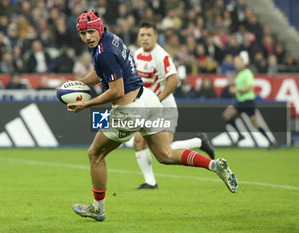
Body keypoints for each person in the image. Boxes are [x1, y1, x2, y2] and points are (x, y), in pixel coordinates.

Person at [68, 11, 238, 222]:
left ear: (99, 29)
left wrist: (86, 104)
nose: (87, 37)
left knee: (95, 154)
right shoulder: (110, 39)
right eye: (83, 34)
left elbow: (116, 91)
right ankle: (213, 165)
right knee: (165, 154)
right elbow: (102, 72)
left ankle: (98, 209)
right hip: (148, 99)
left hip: (128, 111)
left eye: (90, 32)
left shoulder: (104, 52)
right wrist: (81, 83)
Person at [133, 21, 215, 189]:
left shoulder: (161, 56)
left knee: (165, 150)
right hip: (150, 108)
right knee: (139, 142)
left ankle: (199, 141)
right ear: (138, 37)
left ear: (156, 37)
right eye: (142, 35)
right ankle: (150, 182)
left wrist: (157, 100)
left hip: (164, 107)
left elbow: (174, 79)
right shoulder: (137, 55)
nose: (145, 38)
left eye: (149, 35)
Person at [222, 53, 275, 149]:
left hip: (248, 101)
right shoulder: (238, 74)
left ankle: (270, 142)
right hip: (239, 101)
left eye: (237, 62)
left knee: (255, 124)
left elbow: (250, 87)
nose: (236, 64)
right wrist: (232, 85)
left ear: (243, 62)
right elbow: (237, 88)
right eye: (235, 62)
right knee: (226, 115)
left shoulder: (247, 73)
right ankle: (240, 135)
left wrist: (236, 90)